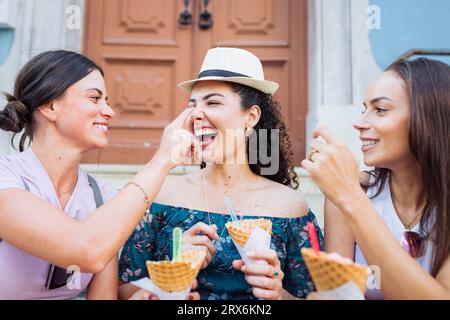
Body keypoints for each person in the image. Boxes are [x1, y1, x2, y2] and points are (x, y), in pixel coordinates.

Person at [118, 47, 323, 300]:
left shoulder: (291, 207)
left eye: (213, 102)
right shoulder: (160, 194)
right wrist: (170, 276)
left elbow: (317, 296)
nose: (196, 115)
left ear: (252, 116)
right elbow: (123, 289)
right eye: (192, 105)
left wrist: (278, 294)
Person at [0, 50, 199, 299]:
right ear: (50, 106)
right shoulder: (6, 178)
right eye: (95, 98)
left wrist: (150, 294)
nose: (109, 111)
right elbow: (86, 249)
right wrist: (163, 159)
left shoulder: (101, 196)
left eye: (107, 100)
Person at [302, 58, 450, 299]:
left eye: (380, 110)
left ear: (429, 118)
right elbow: (339, 294)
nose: (359, 123)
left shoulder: (350, 195)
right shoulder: (353, 192)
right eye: (364, 110)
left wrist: (350, 198)